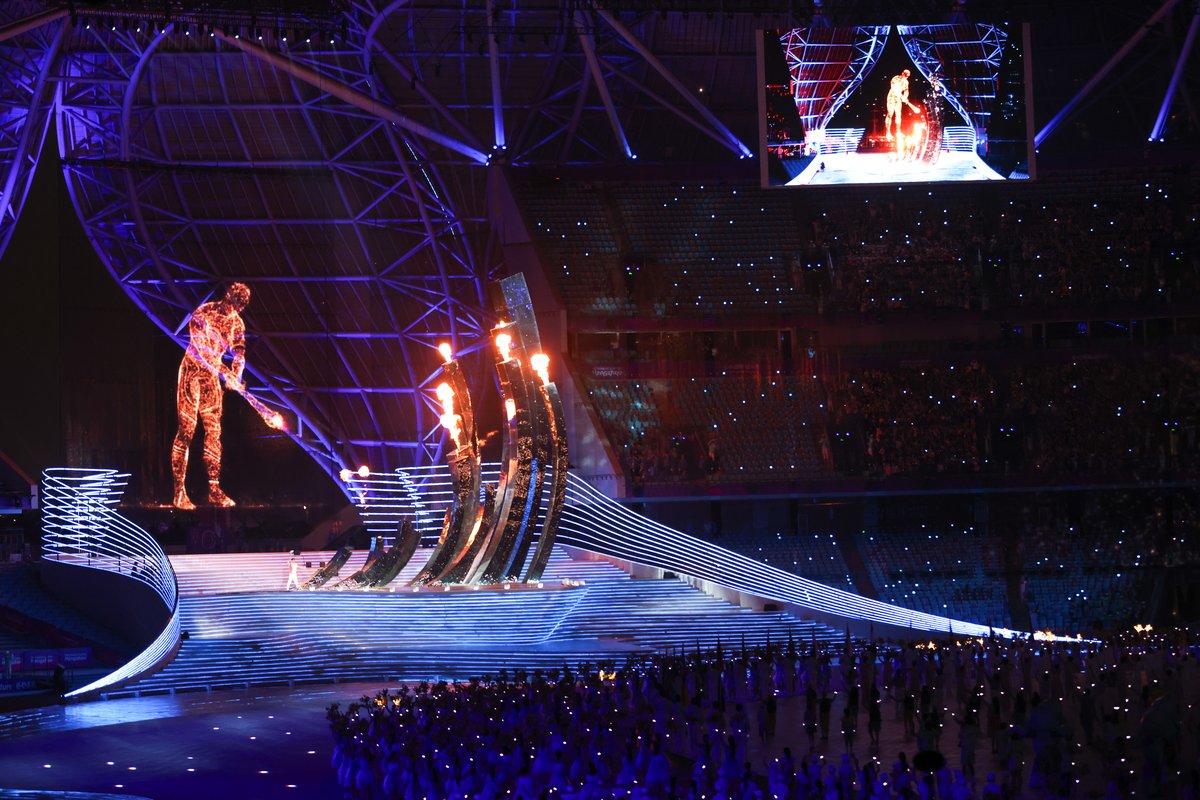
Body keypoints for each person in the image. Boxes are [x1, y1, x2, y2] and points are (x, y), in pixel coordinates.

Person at [171, 283, 251, 509]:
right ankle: (179, 492)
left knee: (214, 431)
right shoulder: (205, 312)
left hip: (211, 378)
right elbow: (203, 351)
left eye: (240, 307)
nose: (236, 309)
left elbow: (239, 354)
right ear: (228, 296)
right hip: (191, 372)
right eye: (234, 303)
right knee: (187, 430)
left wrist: (236, 375)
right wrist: (225, 372)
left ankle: (214, 489)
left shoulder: (237, 323)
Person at [885, 69, 921, 143]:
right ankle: (888, 132)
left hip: (898, 99)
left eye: (908, 76)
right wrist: (902, 97)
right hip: (891, 97)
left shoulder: (906, 82)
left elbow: (906, 90)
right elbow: (894, 89)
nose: (906, 77)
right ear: (902, 73)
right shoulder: (895, 78)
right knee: (890, 114)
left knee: (898, 114)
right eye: (906, 75)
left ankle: (898, 131)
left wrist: (905, 96)